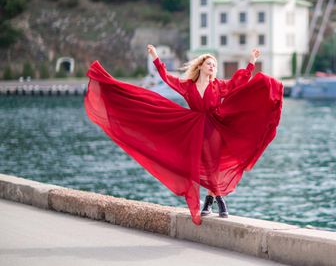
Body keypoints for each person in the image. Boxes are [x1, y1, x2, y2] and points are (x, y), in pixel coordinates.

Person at [84, 45, 283, 225]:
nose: (212, 67)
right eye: (209, 63)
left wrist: (251, 62)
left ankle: (215, 200)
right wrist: (155, 56)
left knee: (212, 166)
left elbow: (238, 82)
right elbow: (165, 77)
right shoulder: (187, 86)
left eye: (214, 64)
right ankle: (212, 199)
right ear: (201, 66)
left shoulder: (219, 86)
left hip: (214, 128)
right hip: (194, 129)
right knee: (200, 166)